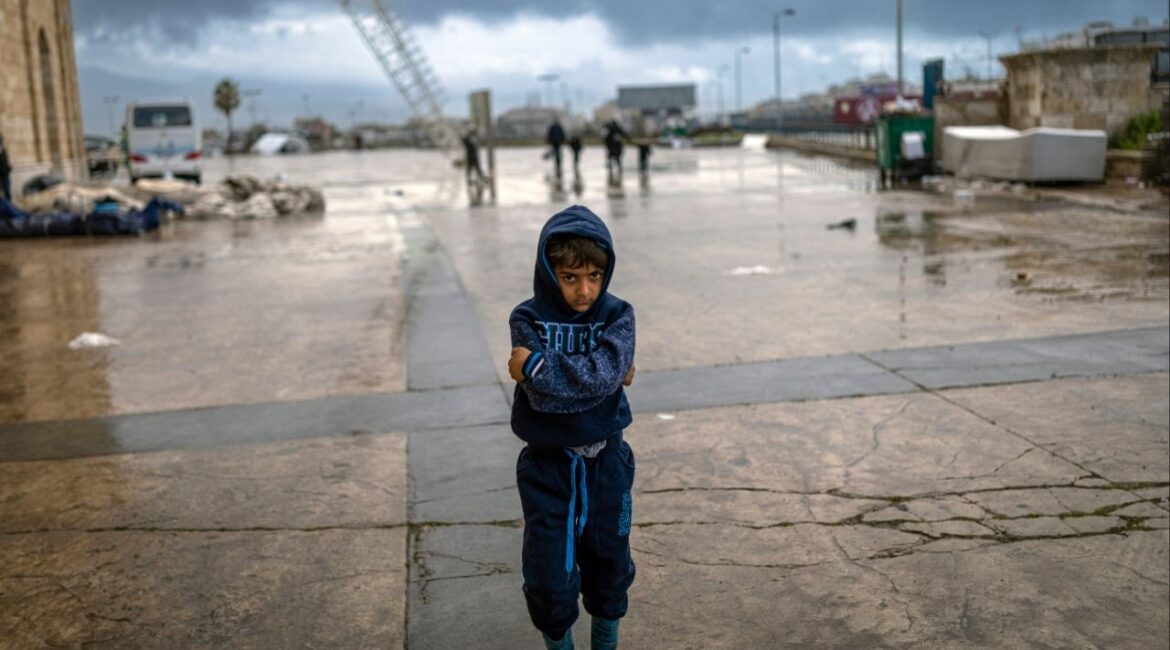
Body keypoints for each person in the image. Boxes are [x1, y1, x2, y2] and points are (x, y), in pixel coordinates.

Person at [508, 205, 637, 650]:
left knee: (610, 566)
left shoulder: (619, 315)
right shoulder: (526, 318)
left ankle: (605, 643)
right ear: (549, 272)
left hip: (608, 464)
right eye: (569, 277)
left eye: (595, 276)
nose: (584, 290)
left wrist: (539, 367)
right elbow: (551, 395)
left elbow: (601, 377)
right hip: (547, 468)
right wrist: (603, 373)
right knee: (548, 577)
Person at [0, 132, 12, 202]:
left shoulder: (3, 149)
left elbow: (6, 161)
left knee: (7, 193)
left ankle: (10, 208)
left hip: (5, 175)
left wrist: (8, 168)